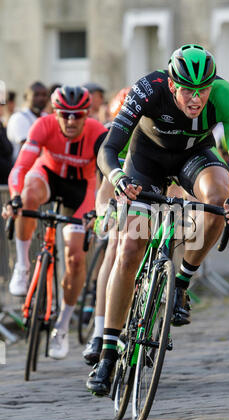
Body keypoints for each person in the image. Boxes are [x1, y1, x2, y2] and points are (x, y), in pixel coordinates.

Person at [86, 44, 229, 396]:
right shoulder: (149, 88)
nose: (196, 99)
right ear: (172, 84)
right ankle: (109, 351)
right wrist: (118, 179)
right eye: (188, 90)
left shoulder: (226, 96)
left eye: (203, 90)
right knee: (129, 249)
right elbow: (108, 149)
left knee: (220, 201)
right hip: (146, 163)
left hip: (193, 158)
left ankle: (180, 282)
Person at [2, 86, 108, 359]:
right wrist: (13, 199)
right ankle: (24, 267)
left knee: (74, 258)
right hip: (47, 175)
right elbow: (21, 167)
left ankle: (61, 327)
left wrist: (98, 210)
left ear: (87, 114)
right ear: (55, 113)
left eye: (78, 115)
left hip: (81, 188)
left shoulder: (97, 131)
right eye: (65, 115)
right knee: (26, 197)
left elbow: (108, 174)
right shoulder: (43, 125)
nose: (71, 121)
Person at [82, 87, 131, 365]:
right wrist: (103, 214)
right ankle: (100, 333)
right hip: (124, 203)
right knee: (114, 247)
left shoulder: (161, 135)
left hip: (155, 198)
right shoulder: (113, 140)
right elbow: (104, 189)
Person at [7, 82, 48, 162]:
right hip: (21, 167)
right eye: (36, 95)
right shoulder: (19, 118)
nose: (41, 98)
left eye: (44, 95)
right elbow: (30, 149)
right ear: (26, 97)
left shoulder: (46, 116)